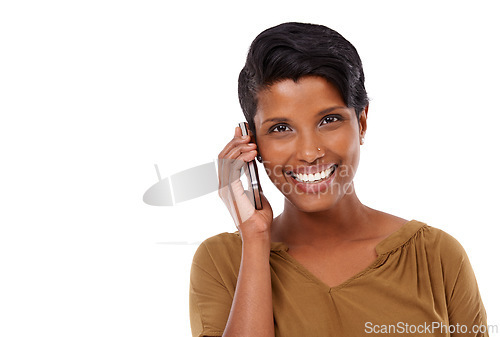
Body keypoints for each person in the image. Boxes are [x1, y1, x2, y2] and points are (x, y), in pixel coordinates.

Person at [189, 22, 489, 337]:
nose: (308, 152)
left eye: (329, 120)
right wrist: (254, 239)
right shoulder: (223, 262)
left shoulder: (434, 256)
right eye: (280, 128)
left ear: (361, 122)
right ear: (253, 144)